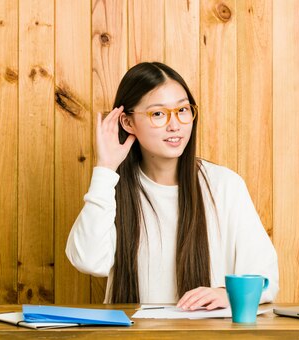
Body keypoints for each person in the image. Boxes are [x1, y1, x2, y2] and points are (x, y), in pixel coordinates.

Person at [66, 62, 278, 310]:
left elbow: (266, 279)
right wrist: (104, 168)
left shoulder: (224, 185)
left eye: (183, 110)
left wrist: (226, 294)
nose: (175, 125)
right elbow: (89, 261)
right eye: (158, 114)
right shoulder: (113, 188)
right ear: (127, 122)